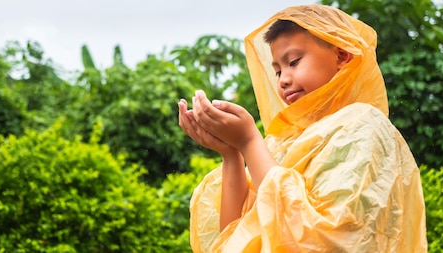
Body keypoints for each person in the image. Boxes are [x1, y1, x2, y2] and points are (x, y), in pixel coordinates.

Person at [177, 4, 428, 252]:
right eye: (277, 71)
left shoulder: (363, 126)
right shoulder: (283, 142)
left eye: (294, 62)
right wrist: (232, 153)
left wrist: (250, 141)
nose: (284, 79)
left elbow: (325, 240)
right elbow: (234, 236)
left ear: (342, 56)